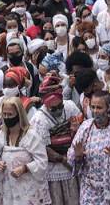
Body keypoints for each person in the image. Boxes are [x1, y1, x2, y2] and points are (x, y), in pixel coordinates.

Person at [28, 76, 80, 205]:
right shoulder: (39, 119)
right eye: (53, 109)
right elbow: (43, 148)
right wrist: (64, 160)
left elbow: (81, 129)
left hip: (74, 161)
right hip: (54, 167)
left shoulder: (70, 106)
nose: (58, 110)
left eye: (59, 106)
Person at [0, 96, 49, 205]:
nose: (6, 117)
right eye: (4, 114)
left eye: (10, 114)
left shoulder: (31, 136)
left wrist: (25, 168)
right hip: (8, 189)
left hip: (29, 190)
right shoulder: (0, 136)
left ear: (19, 115)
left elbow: (42, 161)